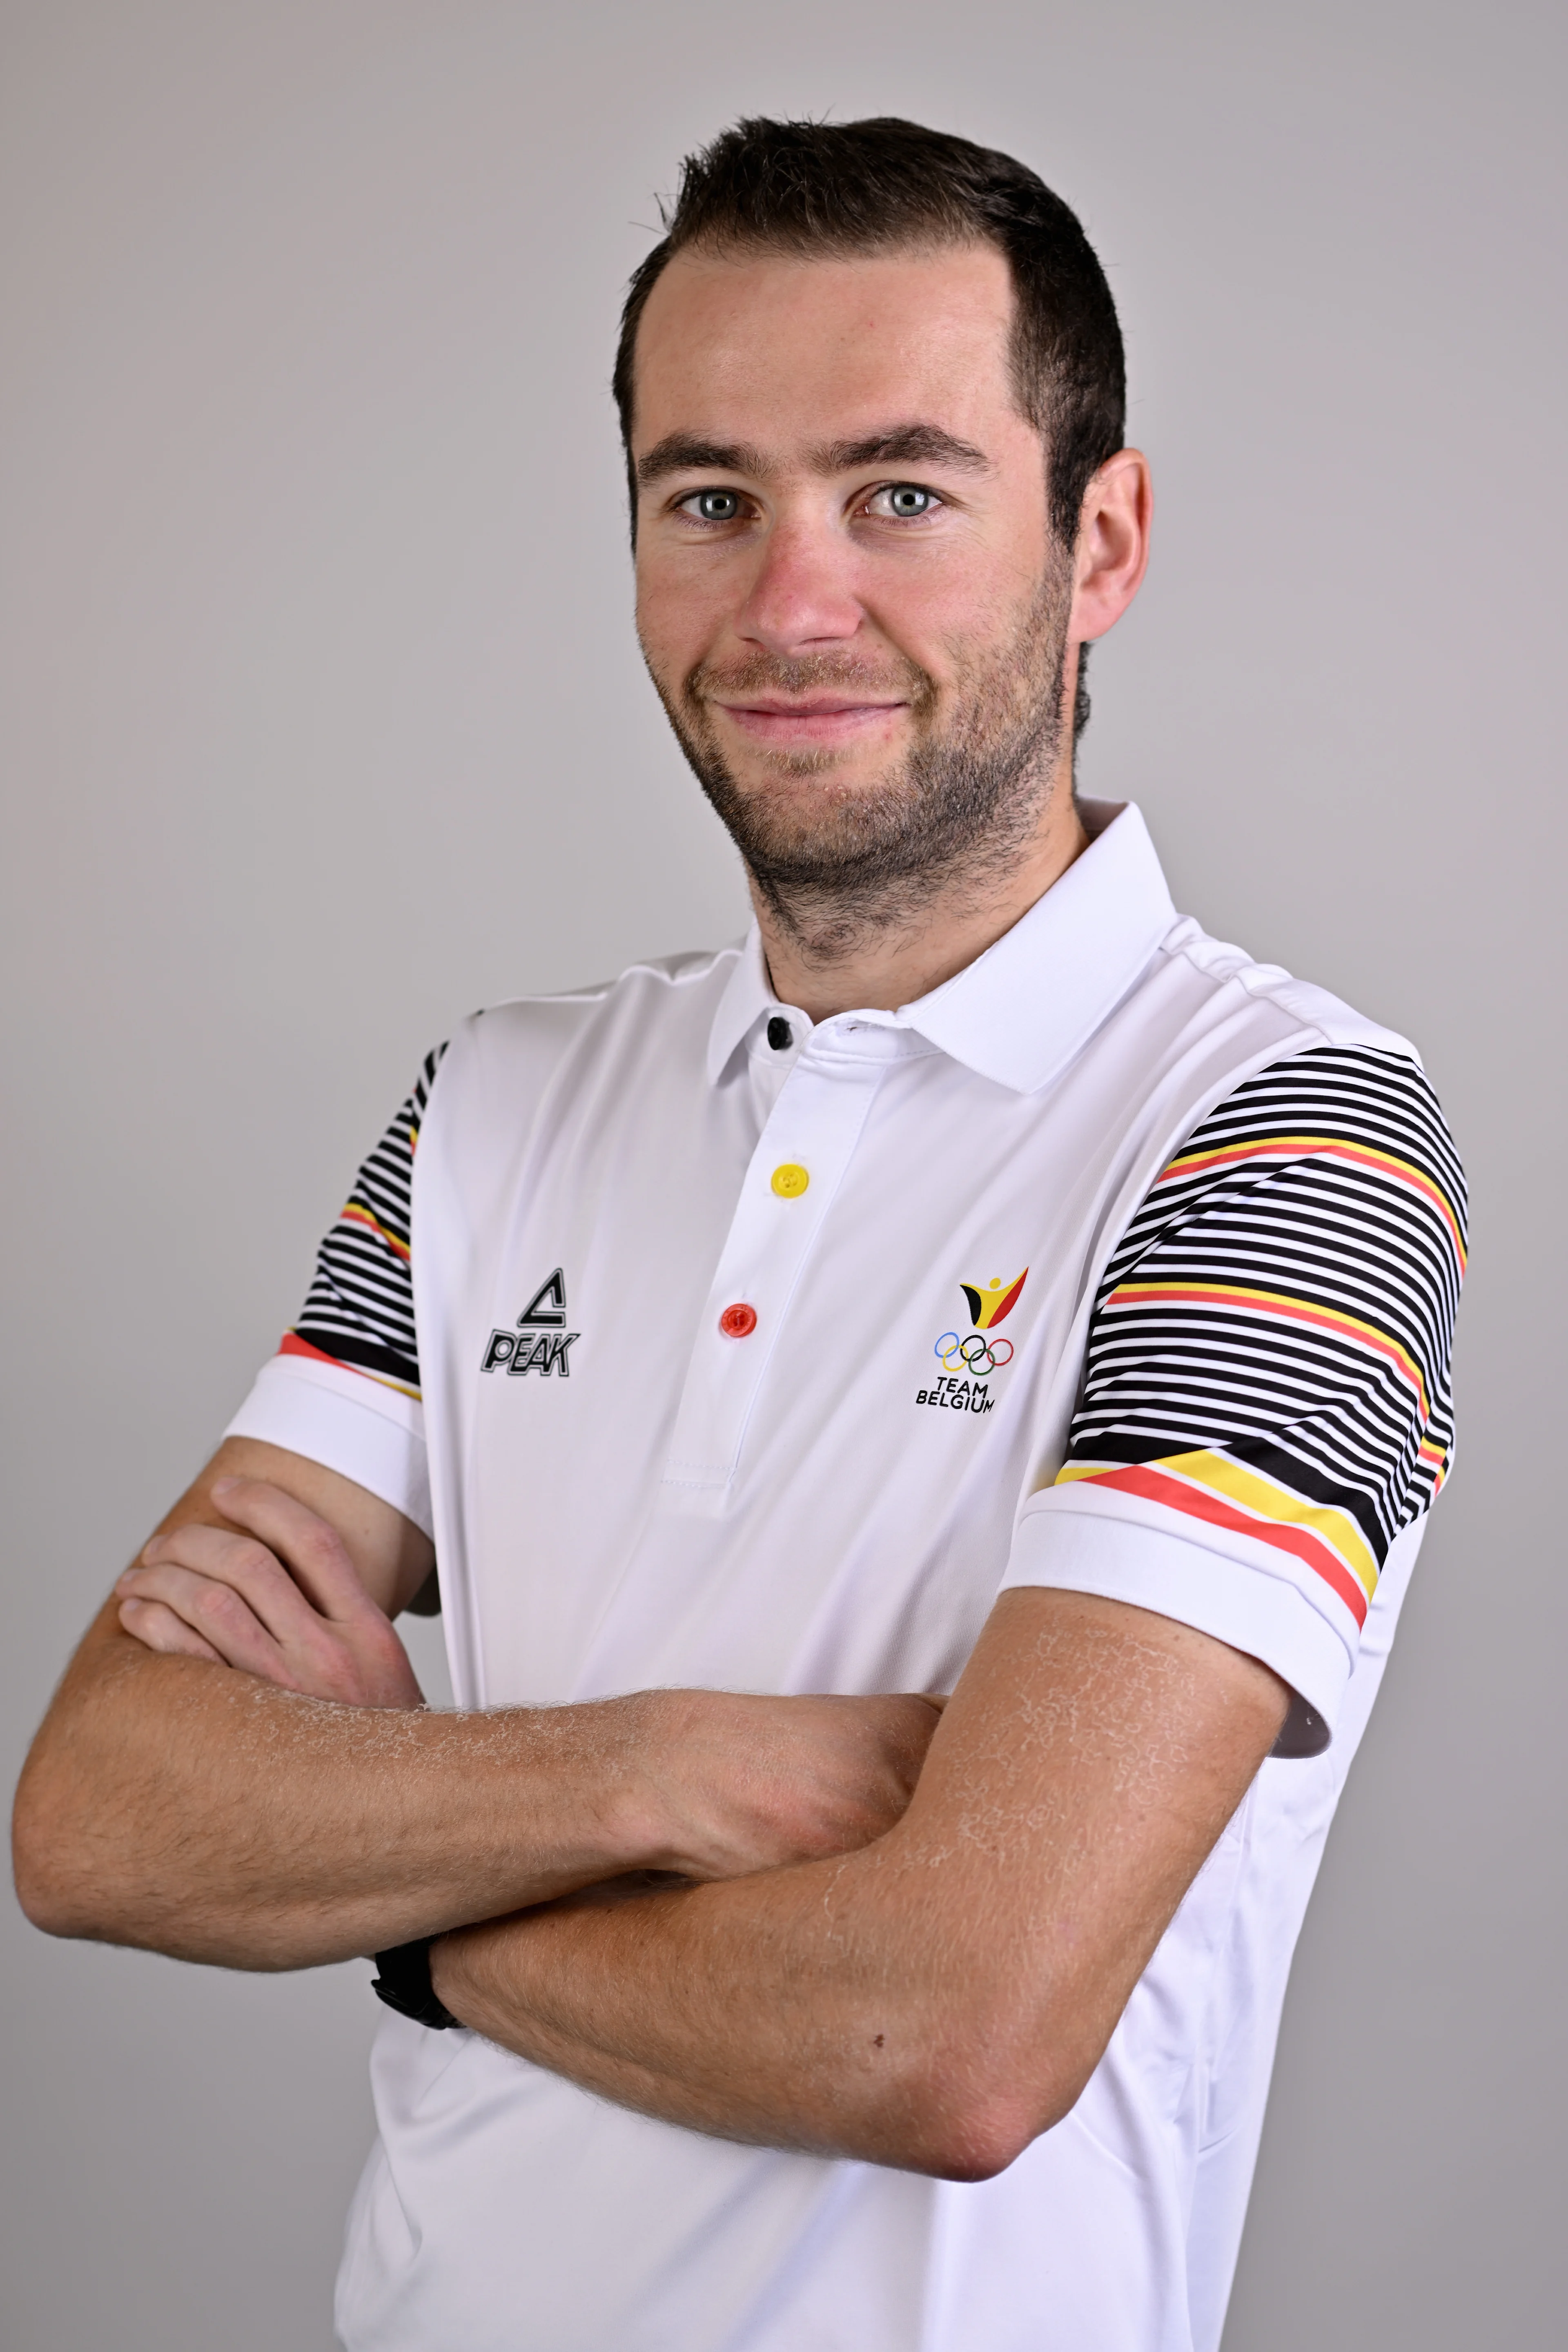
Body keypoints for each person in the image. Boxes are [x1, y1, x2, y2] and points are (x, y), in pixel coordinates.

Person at [13, 117, 1466, 2352]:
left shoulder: (1281, 1144)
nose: (793, 604)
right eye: (711, 500)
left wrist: (403, 1895)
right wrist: (658, 1764)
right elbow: (102, 1814)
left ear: (1103, 542)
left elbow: (948, 2039)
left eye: (901, 491)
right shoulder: (496, 1103)